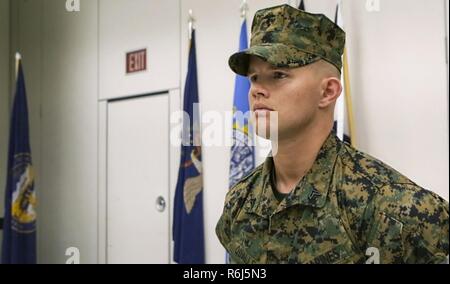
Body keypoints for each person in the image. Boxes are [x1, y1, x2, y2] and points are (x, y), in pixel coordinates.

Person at [215, 4, 449, 264]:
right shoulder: (240, 201)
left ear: (327, 92)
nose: (257, 90)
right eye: (254, 77)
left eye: (279, 75)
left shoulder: (395, 209)